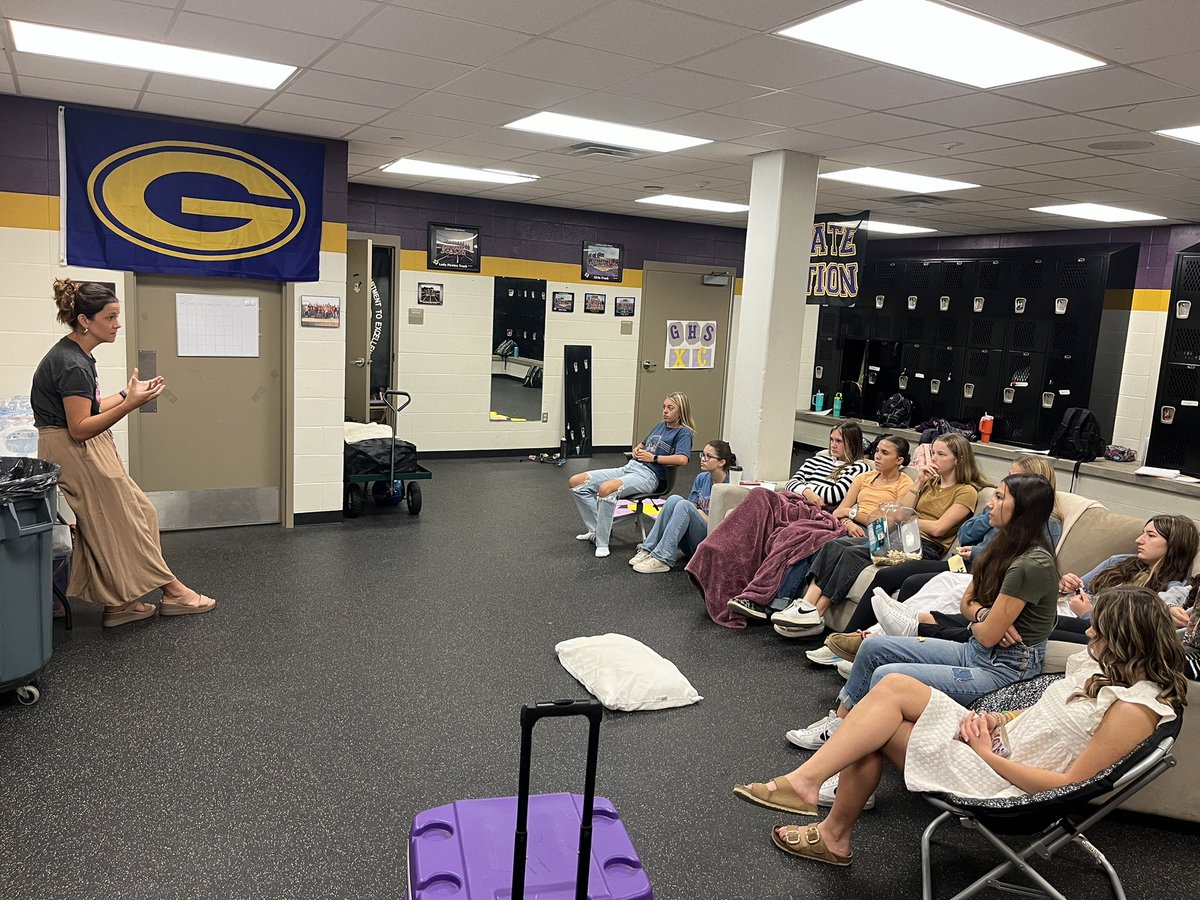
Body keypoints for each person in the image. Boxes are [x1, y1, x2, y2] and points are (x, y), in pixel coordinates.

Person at [732, 587, 1186, 867]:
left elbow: (1068, 783)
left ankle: (827, 823)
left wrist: (987, 753)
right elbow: (1046, 712)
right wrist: (997, 719)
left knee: (874, 731)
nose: (1088, 634)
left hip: (1001, 780)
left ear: (1126, 639)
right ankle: (809, 787)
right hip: (992, 744)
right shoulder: (1100, 668)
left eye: (1098, 629)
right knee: (893, 689)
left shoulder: (1134, 708)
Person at [788, 473, 1058, 752]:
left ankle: (848, 757)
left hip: (1003, 670)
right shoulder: (999, 547)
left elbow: (989, 636)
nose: (990, 503)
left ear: (1023, 509)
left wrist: (984, 623)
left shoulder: (1032, 564)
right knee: (872, 647)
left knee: (887, 676)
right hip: (975, 651)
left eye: (1000, 497)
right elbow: (967, 603)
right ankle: (840, 727)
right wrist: (983, 616)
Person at [31, 279, 216, 628]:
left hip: (78, 444)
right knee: (124, 520)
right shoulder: (71, 363)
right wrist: (130, 405)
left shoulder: (76, 356)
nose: (117, 324)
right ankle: (173, 591)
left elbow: (89, 406)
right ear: (85, 320)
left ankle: (122, 604)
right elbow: (80, 427)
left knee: (139, 513)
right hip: (74, 447)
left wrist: (126, 394)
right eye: (111, 317)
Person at [774, 433, 987, 634]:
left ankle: (817, 612)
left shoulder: (965, 491)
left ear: (958, 459)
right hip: (898, 536)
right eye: (933, 453)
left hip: (923, 545)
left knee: (853, 553)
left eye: (942, 454)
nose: (934, 459)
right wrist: (919, 483)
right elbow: (896, 515)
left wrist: (908, 518)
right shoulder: (928, 482)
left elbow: (938, 528)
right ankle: (807, 606)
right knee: (834, 545)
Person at [834, 454, 1063, 639]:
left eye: (1014, 480)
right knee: (876, 566)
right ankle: (857, 637)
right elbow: (965, 533)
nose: (1007, 485)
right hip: (961, 562)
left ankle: (876, 638)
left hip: (976, 567)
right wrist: (989, 514)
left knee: (908, 580)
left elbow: (1022, 558)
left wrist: (977, 552)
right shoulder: (996, 513)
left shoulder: (1047, 524)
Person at [725, 435, 913, 620]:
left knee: (817, 545)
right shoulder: (864, 478)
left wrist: (853, 514)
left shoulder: (905, 483)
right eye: (877, 451)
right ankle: (772, 599)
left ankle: (780, 602)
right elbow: (840, 511)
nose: (877, 456)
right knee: (805, 539)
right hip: (846, 525)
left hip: (876, 531)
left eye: (885, 453)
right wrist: (848, 520)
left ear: (899, 460)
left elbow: (889, 520)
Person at [568, 393, 695, 559]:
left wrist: (654, 458)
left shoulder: (683, 432)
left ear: (681, 411)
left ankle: (602, 542)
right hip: (631, 467)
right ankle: (596, 530)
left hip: (650, 477)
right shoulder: (660, 425)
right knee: (576, 482)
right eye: (664, 407)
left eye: (670, 408)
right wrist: (638, 449)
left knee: (606, 489)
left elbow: (683, 459)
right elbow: (644, 444)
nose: (665, 411)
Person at [1051, 515, 1199, 641]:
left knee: (1040, 628)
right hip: (1067, 612)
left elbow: (1131, 633)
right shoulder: (1118, 562)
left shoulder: (1175, 590)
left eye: (1151, 536)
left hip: (1102, 634)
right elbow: (1078, 588)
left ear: (1174, 546)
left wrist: (1086, 613)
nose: (1139, 540)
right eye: (1143, 533)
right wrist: (1064, 586)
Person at [629, 439, 734, 573]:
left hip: (709, 545)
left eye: (709, 456)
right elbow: (691, 507)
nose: (703, 459)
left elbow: (722, 529)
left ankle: (663, 558)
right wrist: (698, 512)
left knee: (684, 505)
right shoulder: (702, 478)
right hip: (691, 543)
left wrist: (700, 513)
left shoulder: (730, 487)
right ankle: (649, 548)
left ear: (722, 462)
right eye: (703, 454)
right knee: (674, 499)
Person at [782, 423, 871, 509]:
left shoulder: (859, 467)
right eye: (831, 439)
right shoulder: (817, 459)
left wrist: (803, 486)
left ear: (852, 444)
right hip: (790, 501)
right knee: (768, 495)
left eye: (839, 441)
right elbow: (790, 483)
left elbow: (834, 495)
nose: (833, 445)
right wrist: (807, 492)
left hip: (813, 509)